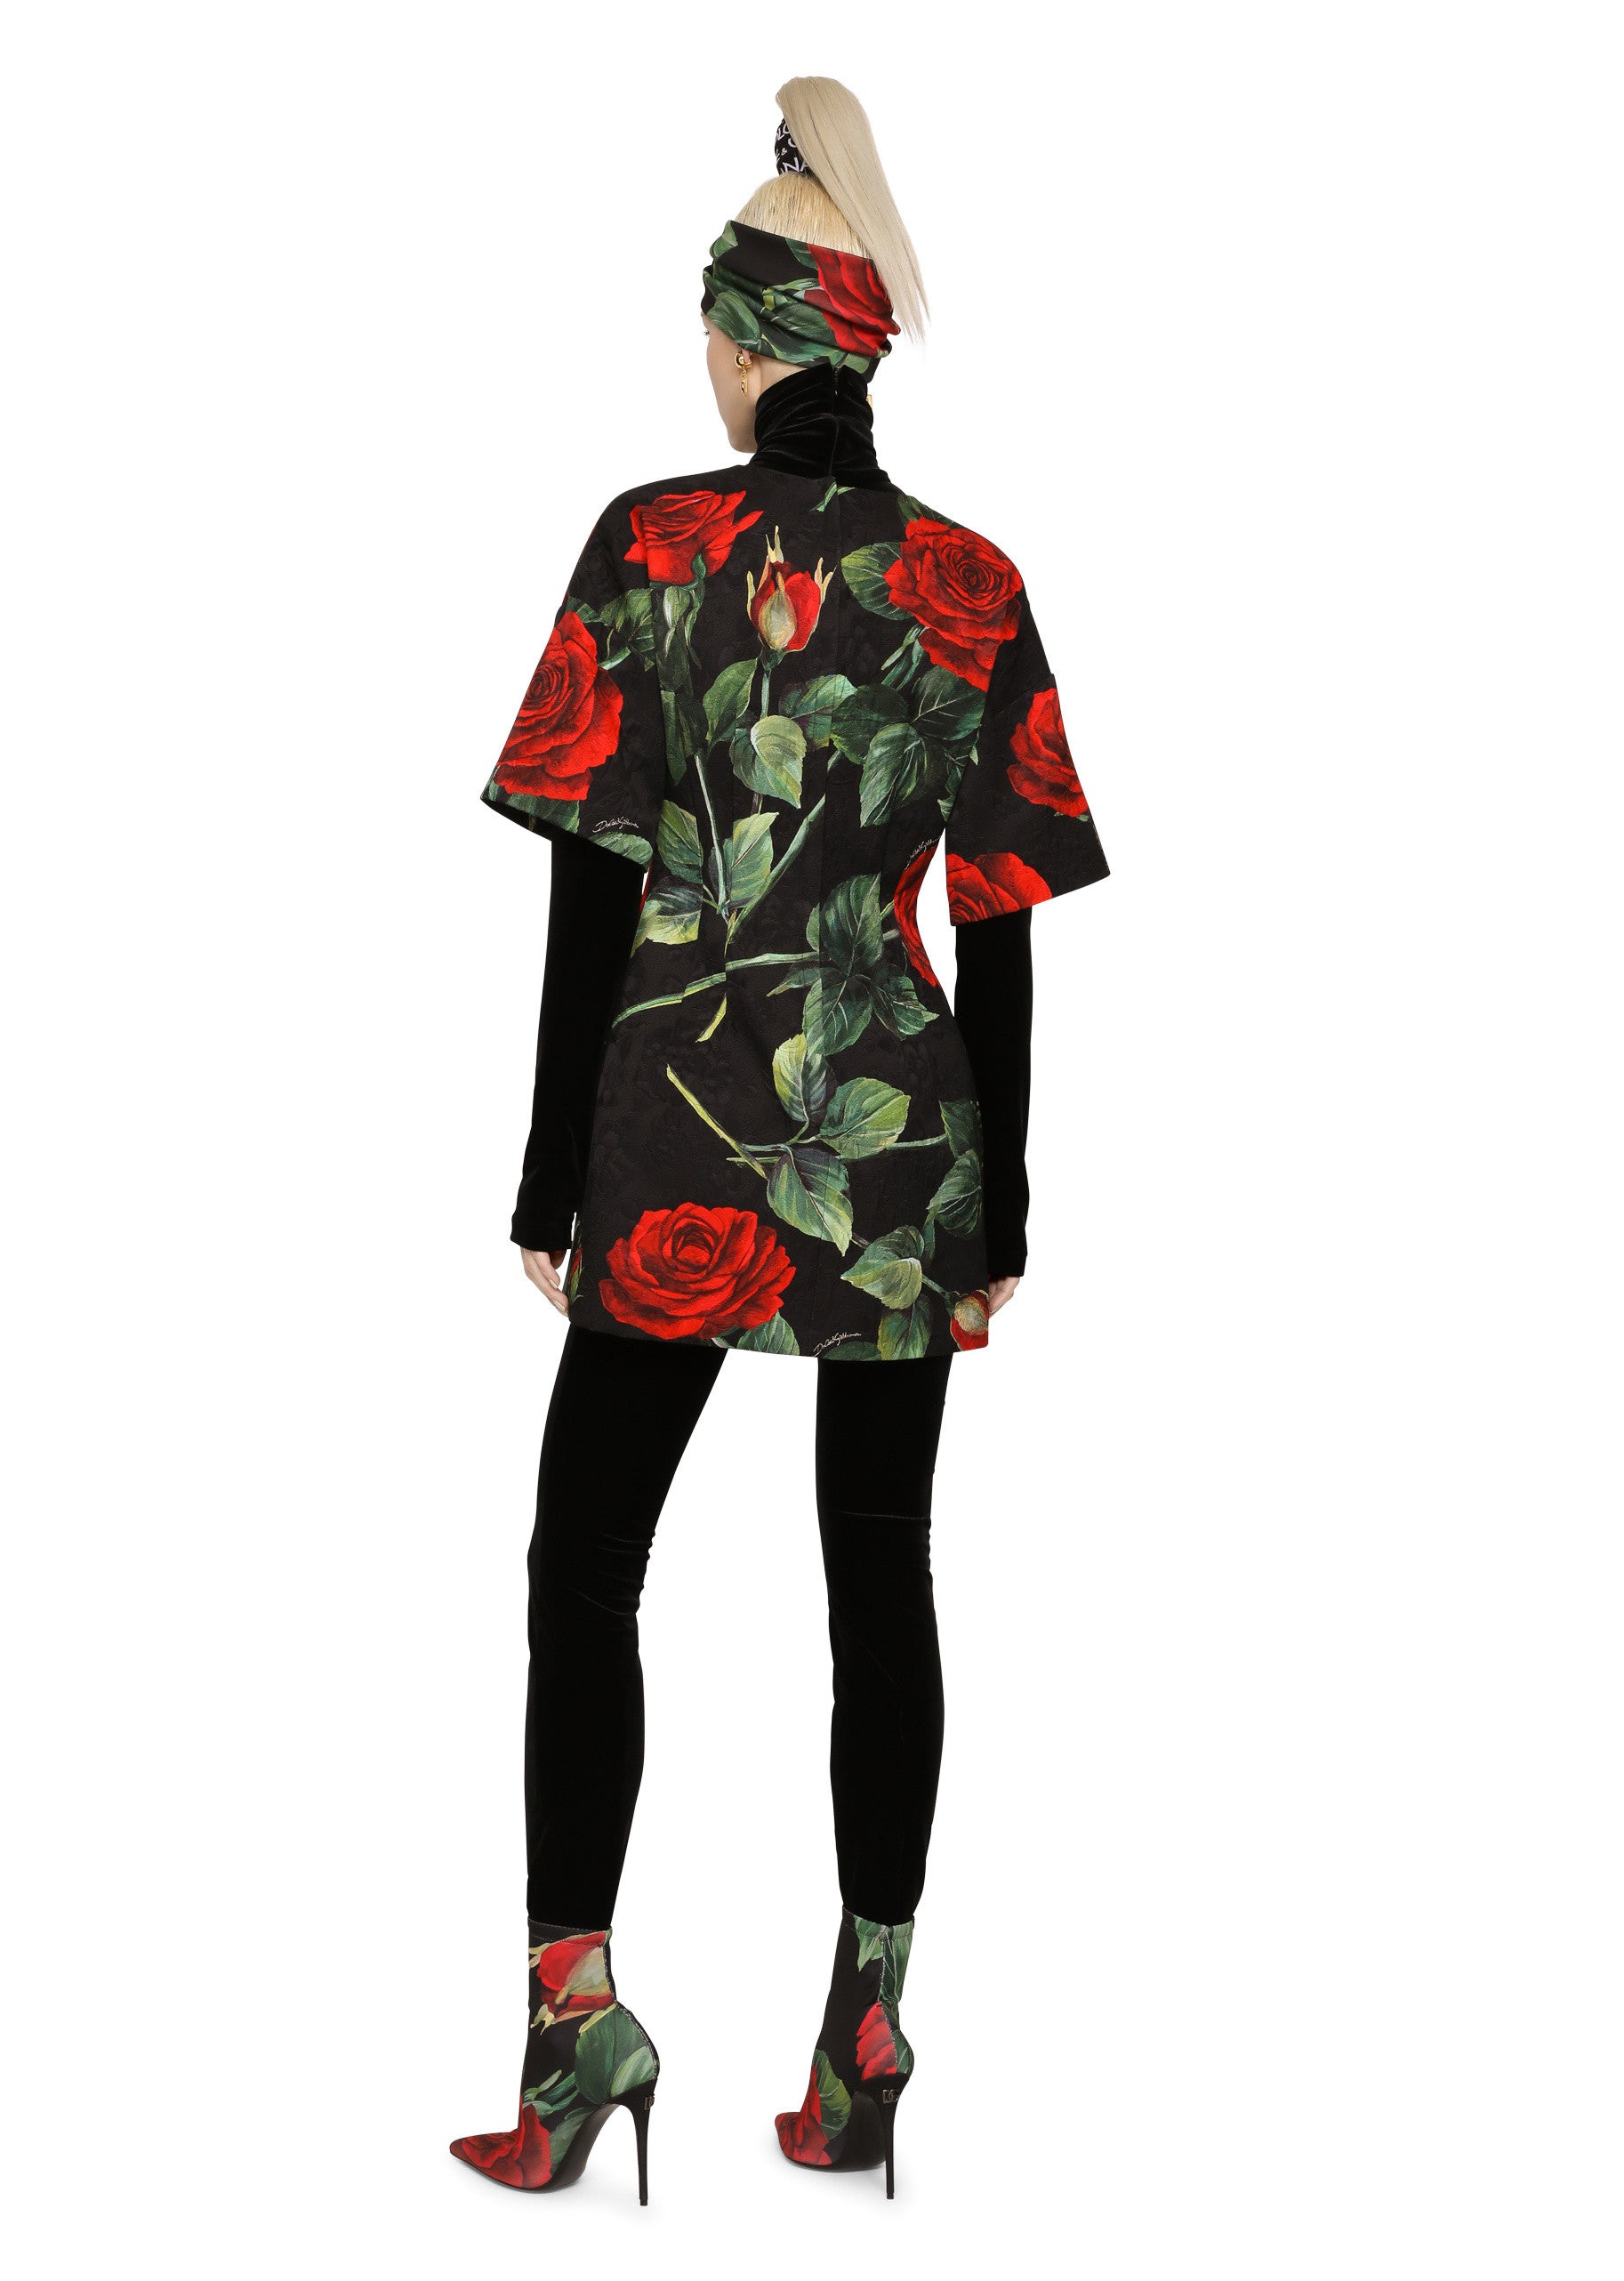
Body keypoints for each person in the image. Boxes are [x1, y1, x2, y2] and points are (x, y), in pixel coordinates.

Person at [450, 77, 1108, 2204]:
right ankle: (868, 2023)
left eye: (708, 327)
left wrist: (548, 1169)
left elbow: (592, 876)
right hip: (893, 1140)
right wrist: (1003, 1205)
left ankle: (575, 2026)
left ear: (751, 341)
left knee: (584, 1567)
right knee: (879, 1572)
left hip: (670, 1115)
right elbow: (999, 919)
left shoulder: (651, 544)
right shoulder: (971, 582)